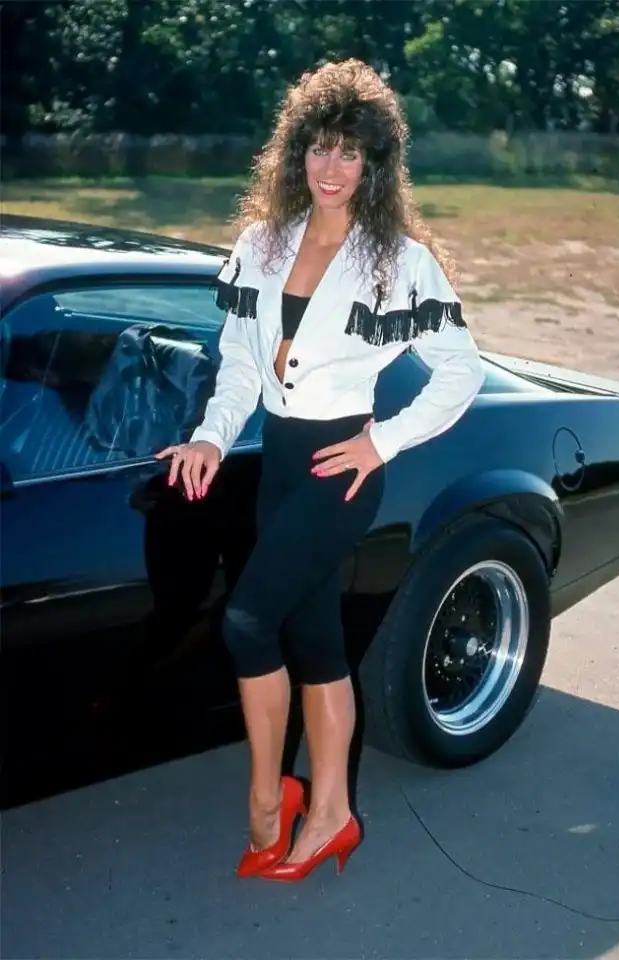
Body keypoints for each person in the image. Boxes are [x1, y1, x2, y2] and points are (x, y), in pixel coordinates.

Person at [156, 58, 485, 883]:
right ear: (295, 150)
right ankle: (333, 813)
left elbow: (462, 370)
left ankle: (268, 800)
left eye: (350, 152)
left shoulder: (398, 260)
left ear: (374, 163)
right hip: (280, 461)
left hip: (342, 466)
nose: (331, 167)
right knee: (313, 637)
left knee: (246, 623)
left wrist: (383, 442)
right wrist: (210, 437)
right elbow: (240, 363)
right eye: (319, 147)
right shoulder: (262, 244)